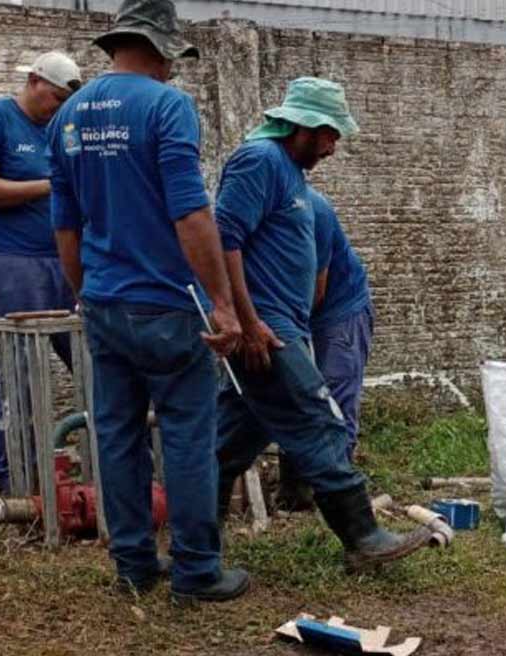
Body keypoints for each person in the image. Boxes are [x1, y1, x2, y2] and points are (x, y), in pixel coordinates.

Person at [46, 0, 248, 604]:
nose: (173, 71)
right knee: (186, 434)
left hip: (105, 303)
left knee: (116, 436)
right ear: (161, 51)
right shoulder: (166, 106)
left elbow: (64, 225)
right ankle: (196, 572)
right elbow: (189, 210)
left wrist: (86, 296)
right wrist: (222, 301)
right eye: (172, 61)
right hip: (166, 306)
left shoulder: (68, 115)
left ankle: (133, 566)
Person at [214, 77, 429, 571]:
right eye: (330, 133)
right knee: (321, 420)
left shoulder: (289, 173)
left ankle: (198, 548)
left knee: (228, 443)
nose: (334, 146)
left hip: (278, 325)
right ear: (304, 126)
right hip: (267, 331)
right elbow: (224, 238)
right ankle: (363, 537)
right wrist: (247, 322)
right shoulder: (260, 160)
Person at [0, 50, 82, 495]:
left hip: (66, 262)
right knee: (16, 373)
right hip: (14, 263)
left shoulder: (64, 129)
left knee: (94, 363)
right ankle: (14, 476)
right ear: (34, 81)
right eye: (53, 97)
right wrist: (51, 186)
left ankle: (109, 469)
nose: (57, 107)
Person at [275, 186, 373, 511]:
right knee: (289, 392)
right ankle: (295, 489)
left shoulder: (314, 211)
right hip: (291, 309)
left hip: (340, 309)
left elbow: (314, 293)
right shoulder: (252, 206)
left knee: (332, 395)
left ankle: (339, 497)